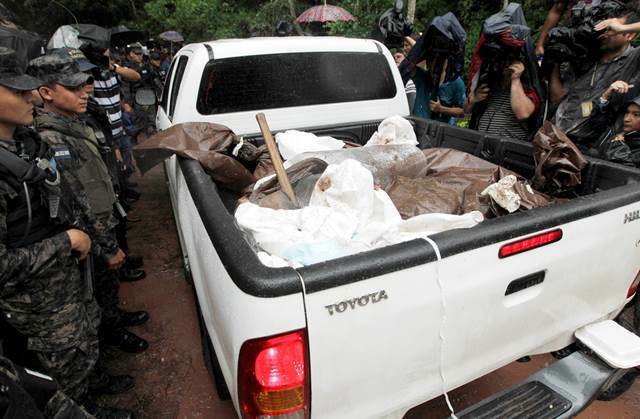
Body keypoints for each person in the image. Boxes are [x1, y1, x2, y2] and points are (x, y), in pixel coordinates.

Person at [0, 47, 134, 419]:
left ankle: (90, 400)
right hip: (33, 303)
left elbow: (67, 197)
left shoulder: (26, 144)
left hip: (66, 281)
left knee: (81, 349)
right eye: (16, 89)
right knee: (56, 375)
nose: (29, 96)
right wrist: (67, 242)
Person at [27, 49, 150, 356]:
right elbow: (72, 201)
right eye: (72, 87)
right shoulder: (50, 138)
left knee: (106, 286)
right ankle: (106, 338)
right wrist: (105, 245)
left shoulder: (74, 123)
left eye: (84, 83)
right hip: (88, 233)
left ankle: (113, 320)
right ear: (46, 93)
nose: (85, 91)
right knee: (91, 291)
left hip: (103, 221)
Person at [550, 10, 640, 146]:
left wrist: (622, 27)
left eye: (610, 28)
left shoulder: (633, 60)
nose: (605, 33)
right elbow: (558, 97)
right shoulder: (586, 55)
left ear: (630, 35)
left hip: (588, 145)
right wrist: (554, 61)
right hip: (554, 134)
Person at [465, 5, 543, 141]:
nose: (501, 64)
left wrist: (516, 80)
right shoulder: (490, 80)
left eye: (506, 60)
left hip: (507, 153)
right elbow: (466, 110)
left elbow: (523, 113)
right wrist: (473, 100)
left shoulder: (527, 85)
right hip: (481, 148)